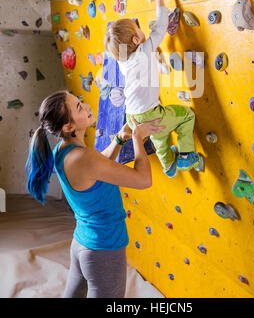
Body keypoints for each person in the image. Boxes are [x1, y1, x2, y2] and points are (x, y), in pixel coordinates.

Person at [25, 90, 165, 298]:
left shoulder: (63, 151)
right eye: (79, 107)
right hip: (104, 248)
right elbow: (143, 180)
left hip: (82, 242)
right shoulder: (84, 158)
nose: (88, 106)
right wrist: (138, 138)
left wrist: (119, 139)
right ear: (68, 126)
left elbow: (97, 167)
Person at [104, 0, 200, 179]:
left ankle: (169, 167)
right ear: (136, 41)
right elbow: (160, 28)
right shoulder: (144, 51)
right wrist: (159, 0)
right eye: (138, 30)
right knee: (186, 115)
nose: (142, 32)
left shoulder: (123, 62)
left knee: (159, 136)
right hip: (146, 113)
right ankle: (186, 154)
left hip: (132, 115)